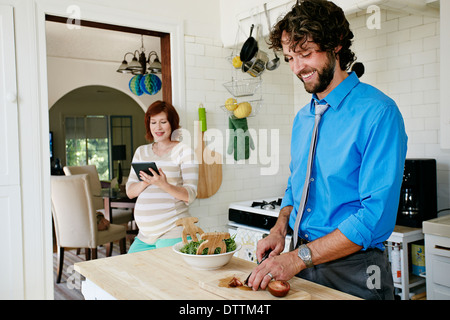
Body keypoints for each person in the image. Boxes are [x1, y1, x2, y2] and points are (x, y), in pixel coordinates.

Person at [247, 0, 408, 300]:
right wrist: (280, 230)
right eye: (290, 58)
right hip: (303, 264)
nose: (297, 68)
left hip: (357, 271)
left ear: (336, 45)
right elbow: (296, 187)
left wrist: (296, 258)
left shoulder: (378, 113)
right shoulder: (302, 119)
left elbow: (373, 217)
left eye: (306, 54)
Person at [126, 100, 199, 253]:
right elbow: (130, 192)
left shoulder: (184, 151)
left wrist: (163, 184)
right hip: (145, 234)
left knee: (166, 275)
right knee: (131, 271)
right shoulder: (141, 152)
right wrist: (145, 182)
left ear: (172, 123)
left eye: (163, 122)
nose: (157, 127)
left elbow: (190, 195)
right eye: (153, 122)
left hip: (173, 229)